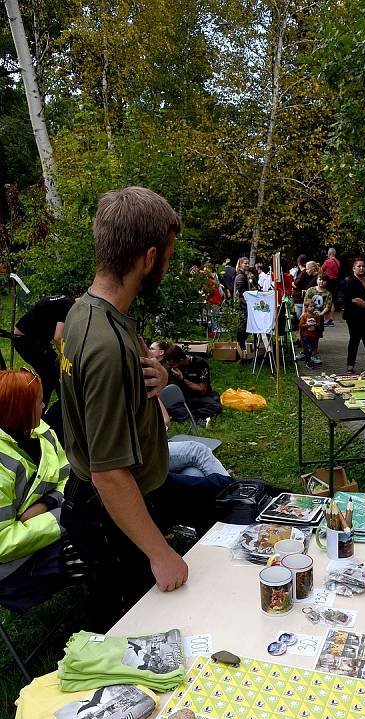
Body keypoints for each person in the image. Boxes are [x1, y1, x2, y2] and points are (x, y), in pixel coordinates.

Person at [60, 186, 189, 631]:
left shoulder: (84, 310)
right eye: (168, 257)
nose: (166, 267)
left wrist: (159, 376)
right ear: (148, 258)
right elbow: (109, 473)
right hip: (111, 513)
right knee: (133, 636)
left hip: (111, 507)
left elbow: (104, 385)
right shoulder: (105, 344)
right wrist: (161, 553)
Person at [0, 369, 71, 612]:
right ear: (20, 409)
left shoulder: (41, 431)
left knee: (102, 531)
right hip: (11, 570)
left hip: (41, 531)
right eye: (39, 400)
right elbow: (3, 543)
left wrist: (47, 504)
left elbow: (66, 477)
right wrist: (66, 517)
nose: (44, 405)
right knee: (93, 547)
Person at [14, 294, 75, 408]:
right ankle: (41, 409)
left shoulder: (66, 300)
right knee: (50, 375)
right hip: (27, 340)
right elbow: (58, 338)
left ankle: (64, 405)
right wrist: (65, 357)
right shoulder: (69, 306)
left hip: (30, 338)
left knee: (54, 372)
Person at [165, 345, 222, 423]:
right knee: (169, 406)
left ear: (181, 360)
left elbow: (202, 389)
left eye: (172, 365)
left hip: (198, 397)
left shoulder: (200, 364)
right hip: (183, 398)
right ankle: (189, 415)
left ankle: (188, 415)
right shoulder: (172, 369)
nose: (170, 367)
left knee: (216, 408)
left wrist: (182, 379)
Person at [302, 271, 333, 365]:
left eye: (324, 280)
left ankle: (314, 353)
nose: (321, 282)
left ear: (327, 282)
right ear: (316, 280)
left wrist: (321, 314)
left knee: (316, 336)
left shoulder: (328, 293)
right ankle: (305, 353)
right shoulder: (311, 290)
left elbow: (328, 306)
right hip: (307, 317)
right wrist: (303, 313)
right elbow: (305, 302)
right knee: (305, 335)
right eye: (320, 279)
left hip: (318, 318)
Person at [234, 257, 250, 357]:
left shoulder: (243, 275)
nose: (247, 265)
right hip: (241, 305)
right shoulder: (240, 276)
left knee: (244, 326)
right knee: (243, 326)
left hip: (242, 305)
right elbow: (240, 293)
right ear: (240, 265)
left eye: (248, 263)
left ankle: (241, 345)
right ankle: (240, 346)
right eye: (245, 263)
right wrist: (247, 303)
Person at [299, 300, 321, 369]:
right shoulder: (304, 316)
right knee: (308, 348)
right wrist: (307, 325)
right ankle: (307, 362)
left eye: (313, 306)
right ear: (306, 307)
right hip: (305, 335)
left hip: (313, 335)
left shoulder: (315, 315)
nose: (312, 308)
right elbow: (301, 325)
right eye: (311, 306)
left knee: (311, 348)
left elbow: (318, 323)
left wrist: (316, 324)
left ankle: (308, 359)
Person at [321, 247, 341, 321]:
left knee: (326, 300)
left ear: (329, 254)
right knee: (332, 301)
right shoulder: (338, 262)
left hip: (329, 283)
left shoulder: (328, 261)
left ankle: (326, 318)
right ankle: (331, 318)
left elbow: (321, 270)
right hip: (336, 282)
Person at [291, 254, 309, 321]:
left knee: (301, 318)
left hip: (300, 299)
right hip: (300, 298)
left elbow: (296, 284)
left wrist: (292, 282)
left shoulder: (303, 273)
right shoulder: (304, 272)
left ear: (298, 262)